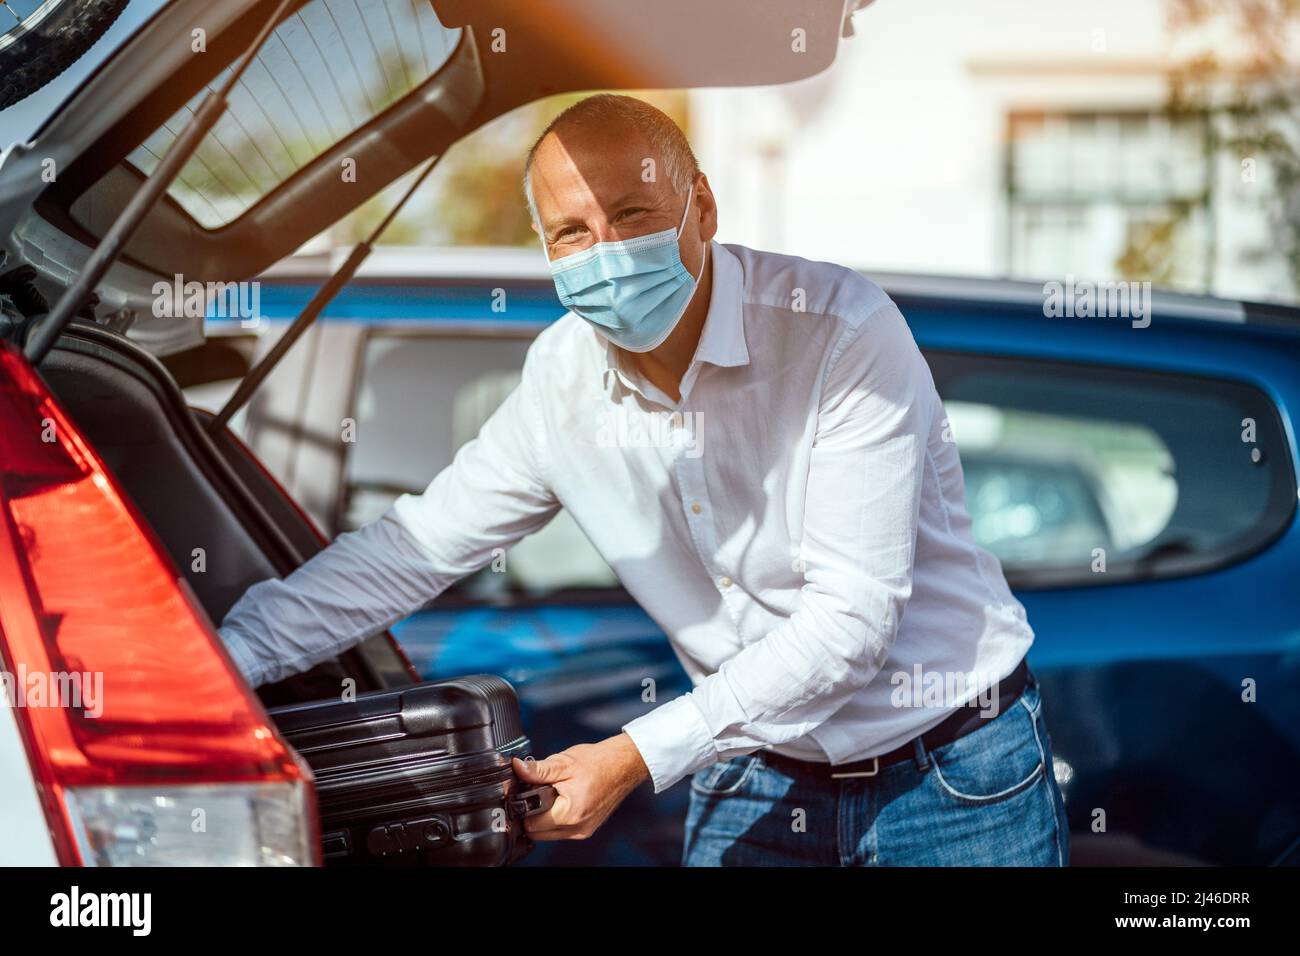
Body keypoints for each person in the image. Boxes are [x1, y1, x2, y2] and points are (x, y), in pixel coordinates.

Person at [218, 93, 1070, 866]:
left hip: (953, 773)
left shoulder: (837, 331)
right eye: (573, 233)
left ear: (701, 204)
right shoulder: (560, 382)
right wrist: (221, 662)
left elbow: (851, 623)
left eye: (633, 215)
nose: (608, 253)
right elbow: (410, 552)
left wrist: (630, 758)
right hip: (757, 771)